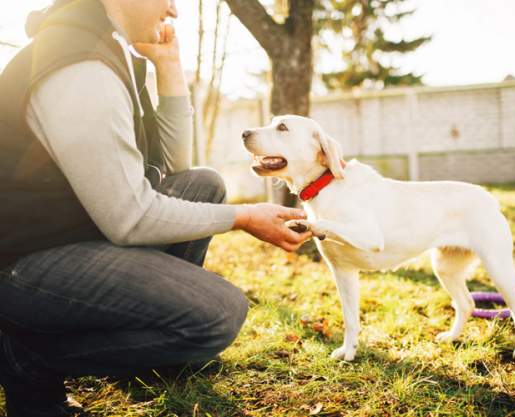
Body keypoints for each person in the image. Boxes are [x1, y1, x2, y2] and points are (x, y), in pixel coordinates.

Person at [0, 0, 312, 414]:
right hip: (22, 263)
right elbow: (129, 218)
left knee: (204, 184)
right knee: (219, 313)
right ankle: (28, 360)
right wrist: (244, 217)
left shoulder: (109, 49)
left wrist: (169, 66)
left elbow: (176, 168)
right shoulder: (79, 65)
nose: (174, 10)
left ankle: (152, 358)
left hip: (75, 233)